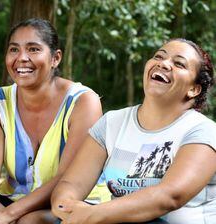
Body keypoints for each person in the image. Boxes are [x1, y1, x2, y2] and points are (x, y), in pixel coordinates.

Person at [0, 18, 104, 224]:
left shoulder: (83, 102)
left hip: (75, 202)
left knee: (30, 222)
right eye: (14, 50)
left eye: (33, 49)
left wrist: (9, 215)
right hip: (17, 197)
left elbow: (67, 178)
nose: (21, 58)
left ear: (56, 58)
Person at [51, 38, 216, 224]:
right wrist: (67, 206)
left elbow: (170, 196)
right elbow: (70, 185)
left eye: (179, 63)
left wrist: (93, 215)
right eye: (159, 56)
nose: (163, 63)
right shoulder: (111, 123)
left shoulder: (203, 132)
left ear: (194, 89)